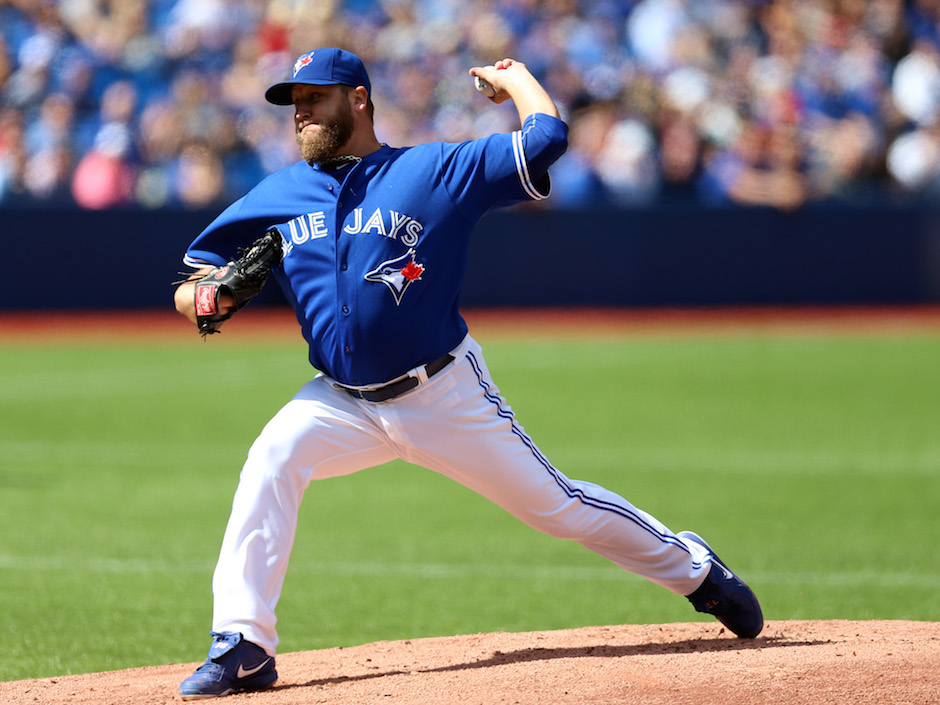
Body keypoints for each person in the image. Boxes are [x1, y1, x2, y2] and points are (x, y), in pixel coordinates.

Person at [173, 47, 763, 701]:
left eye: (314, 97)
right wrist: (209, 295)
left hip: (443, 392)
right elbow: (193, 279)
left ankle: (695, 568)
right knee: (272, 457)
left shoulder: (432, 169)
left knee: (558, 507)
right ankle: (243, 643)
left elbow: (546, 139)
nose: (300, 112)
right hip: (339, 400)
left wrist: (515, 79)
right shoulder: (279, 194)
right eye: (294, 102)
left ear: (358, 100)